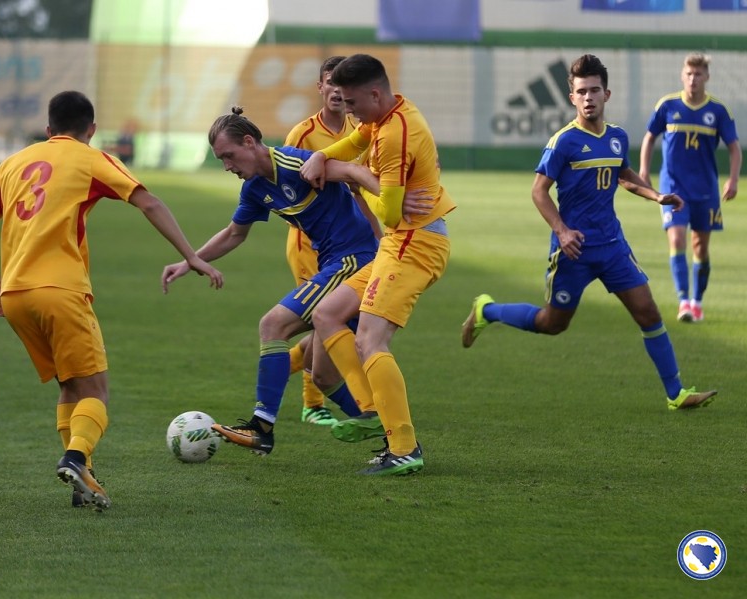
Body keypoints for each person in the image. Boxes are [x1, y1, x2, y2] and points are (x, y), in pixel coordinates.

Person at [0, 91, 223, 511]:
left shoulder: (12, 163)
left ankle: (81, 481)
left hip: (14, 295)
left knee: (71, 386)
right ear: (92, 129)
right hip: (60, 290)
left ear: (48, 129)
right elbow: (148, 201)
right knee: (97, 391)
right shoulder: (90, 158)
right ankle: (75, 457)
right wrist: (191, 256)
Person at [460, 54, 717, 412]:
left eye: (594, 90)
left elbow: (624, 176)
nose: (588, 97)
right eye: (581, 92)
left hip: (612, 246)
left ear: (606, 94)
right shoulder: (563, 141)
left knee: (648, 313)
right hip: (574, 251)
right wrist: (562, 231)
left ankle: (676, 393)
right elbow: (538, 191)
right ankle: (488, 310)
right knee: (552, 323)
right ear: (572, 98)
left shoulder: (616, 137)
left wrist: (656, 195)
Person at [160, 107, 382, 456]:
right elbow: (234, 234)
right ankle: (394, 437)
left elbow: (356, 173)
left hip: (356, 259)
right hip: (333, 263)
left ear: (250, 142)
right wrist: (191, 261)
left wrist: (397, 209)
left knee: (273, 324)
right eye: (221, 160)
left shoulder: (296, 164)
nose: (227, 166)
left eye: (229, 156)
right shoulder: (254, 188)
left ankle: (261, 428)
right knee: (322, 375)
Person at [300, 54, 456, 476]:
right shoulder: (389, 111)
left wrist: (354, 175)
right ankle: (371, 410)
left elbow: (389, 212)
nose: (348, 111)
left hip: (414, 243)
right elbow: (354, 142)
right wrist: (323, 157)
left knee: (370, 339)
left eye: (352, 103)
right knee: (327, 314)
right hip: (400, 242)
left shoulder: (395, 136)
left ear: (373, 93)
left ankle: (404, 449)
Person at [284, 55, 383, 428]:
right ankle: (313, 403)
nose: (338, 92)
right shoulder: (303, 134)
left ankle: (285, 363)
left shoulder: (360, 129)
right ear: (320, 87)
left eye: (343, 86)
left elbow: (362, 187)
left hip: (353, 240)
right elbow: (289, 186)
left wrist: (377, 233)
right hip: (311, 244)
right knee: (322, 320)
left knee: (340, 322)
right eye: (330, 83)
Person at [639, 52, 741, 323]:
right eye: (689, 74)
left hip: (705, 190)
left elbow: (734, 148)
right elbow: (649, 137)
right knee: (676, 239)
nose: (693, 79)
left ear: (707, 77)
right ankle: (683, 301)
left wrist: (733, 179)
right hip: (673, 187)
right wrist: (644, 170)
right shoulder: (667, 105)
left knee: (700, 247)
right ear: (682, 76)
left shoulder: (718, 111)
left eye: (698, 74)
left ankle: (697, 302)